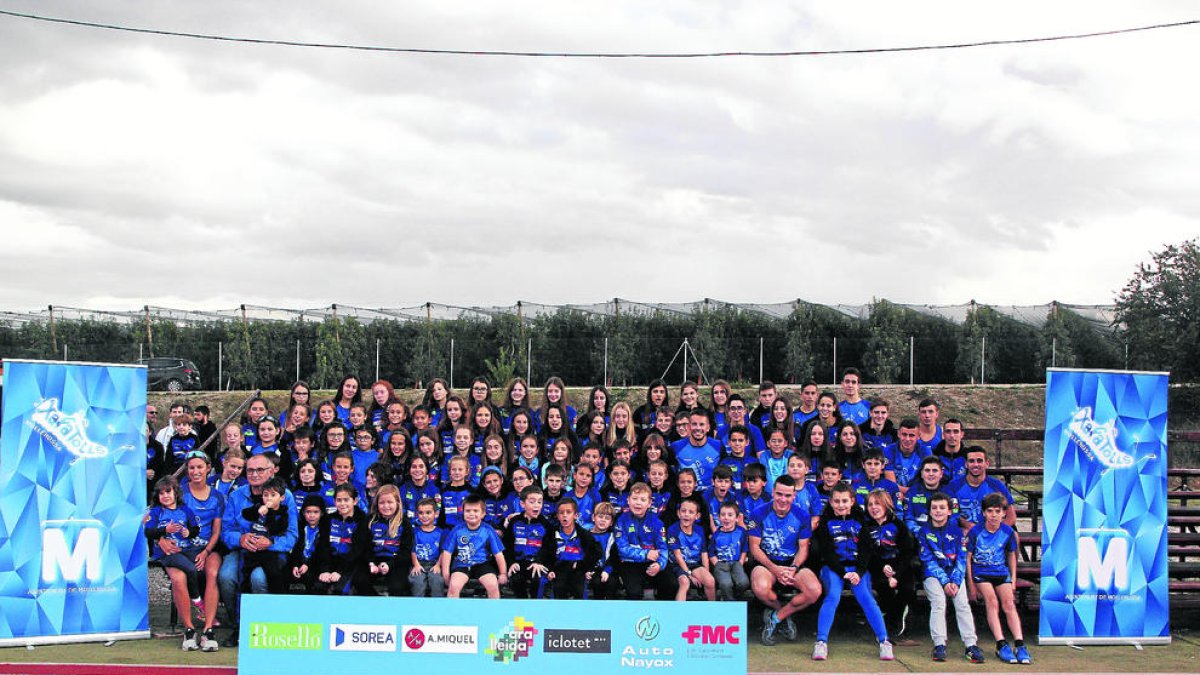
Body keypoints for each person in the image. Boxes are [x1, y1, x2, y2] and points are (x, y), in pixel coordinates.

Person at [217, 454, 298, 647]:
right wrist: (241, 539)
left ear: (272, 471)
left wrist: (270, 542)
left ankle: (265, 626)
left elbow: (292, 536)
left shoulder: (286, 497)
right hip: (242, 549)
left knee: (258, 578)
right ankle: (239, 625)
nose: (254, 474)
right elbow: (226, 531)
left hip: (271, 551)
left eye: (260, 470)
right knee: (226, 577)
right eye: (250, 470)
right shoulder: (237, 495)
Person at [811, 482, 893, 662]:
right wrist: (842, 572)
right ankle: (821, 642)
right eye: (837, 501)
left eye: (845, 501)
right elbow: (827, 552)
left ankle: (884, 641)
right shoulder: (825, 522)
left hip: (857, 569)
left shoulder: (861, 519)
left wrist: (859, 571)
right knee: (833, 596)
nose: (841, 505)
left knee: (866, 597)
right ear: (831, 503)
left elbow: (866, 549)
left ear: (852, 501)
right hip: (834, 568)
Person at [749, 475, 822, 647]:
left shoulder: (802, 515)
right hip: (767, 563)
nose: (783, 499)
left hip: (792, 564)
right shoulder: (758, 513)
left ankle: (776, 618)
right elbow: (754, 548)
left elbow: (803, 548)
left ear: (794, 496)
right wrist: (775, 569)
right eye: (779, 494)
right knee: (760, 588)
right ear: (773, 492)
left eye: (788, 495)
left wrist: (794, 568)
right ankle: (785, 614)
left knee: (814, 591)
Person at [919, 492, 985, 664]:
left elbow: (962, 559)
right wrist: (945, 581)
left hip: (954, 576)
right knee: (939, 602)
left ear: (950, 511)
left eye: (942, 507)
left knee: (962, 603)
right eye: (934, 508)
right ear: (929, 511)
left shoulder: (957, 532)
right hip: (932, 576)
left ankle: (971, 645)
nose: (938, 511)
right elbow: (928, 560)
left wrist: (955, 581)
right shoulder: (924, 532)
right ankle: (939, 644)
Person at [967, 493, 1029, 665]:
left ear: (1004, 513)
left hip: (1001, 572)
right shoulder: (976, 531)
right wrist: (971, 584)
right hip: (981, 573)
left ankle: (1020, 644)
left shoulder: (1008, 532)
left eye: (997, 511)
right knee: (992, 602)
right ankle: (1001, 643)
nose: (994, 515)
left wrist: (1013, 579)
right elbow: (968, 558)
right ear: (984, 513)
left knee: (1009, 604)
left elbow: (1011, 556)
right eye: (990, 511)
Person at [145, 476, 204, 651]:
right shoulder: (156, 512)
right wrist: (165, 530)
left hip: (186, 549)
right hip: (167, 553)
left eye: (168, 492)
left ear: (176, 493)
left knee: (201, 567)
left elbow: (195, 529)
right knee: (189, 569)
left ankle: (205, 619)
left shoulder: (185, 510)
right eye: (161, 493)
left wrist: (188, 532)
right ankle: (197, 600)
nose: (165, 496)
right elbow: (148, 532)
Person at [180, 451, 224, 650]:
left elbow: (216, 531)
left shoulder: (217, 496)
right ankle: (189, 629)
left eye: (200, 467)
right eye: (191, 468)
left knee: (213, 572)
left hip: (208, 548)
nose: (196, 471)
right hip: (184, 548)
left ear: (208, 469)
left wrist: (205, 552)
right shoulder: (180, 492)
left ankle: (208, 630)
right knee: (179, 577)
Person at [864, 488, 917, 645]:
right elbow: (867, 552)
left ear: (887, 505)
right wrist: (882, 567)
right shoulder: (865, 526)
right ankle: (888, 622)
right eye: (870, 504)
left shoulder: (898, 525)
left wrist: (896, 574)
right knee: (883, 587)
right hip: (877, 566)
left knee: (908, 589)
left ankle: (898, 614)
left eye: (878, 504)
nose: (874, 508)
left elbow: (907, 551)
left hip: (899, 565)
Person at [442, 495, 508, 599]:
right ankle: (453, 614)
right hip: (461, 564)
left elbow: (498, 554)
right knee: (454, 586)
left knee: (492, 585)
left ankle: (494, 613)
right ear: (463, 513)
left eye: (475, 511)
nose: (471, 514)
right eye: (468, 511)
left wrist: (503, 573)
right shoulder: (457, 529)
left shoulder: (488, 530)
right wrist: (445, 574)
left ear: (483, 514)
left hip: (482, 564)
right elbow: (447, 552)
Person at [614, 482, 670, 600]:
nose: (638, 503)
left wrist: (660, 564)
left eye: (643, 499)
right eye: (634, 498)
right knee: (634, 593)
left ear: (649, 503)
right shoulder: (621, 521)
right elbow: (622, 549)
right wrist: (646, 554)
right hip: (630, 563)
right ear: (628, 500)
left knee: (671, 584)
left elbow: (663, 548)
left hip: (652, 562)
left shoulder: (657, 522)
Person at [312, 483, 370, 595]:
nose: (342, 504)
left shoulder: (362, 520)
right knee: (318, 588)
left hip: (351, 565)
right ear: (334, 502)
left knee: (340, 590)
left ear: (355, 501)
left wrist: (339, 571)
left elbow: (357, 551)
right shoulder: (328, 519)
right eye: (339, 500)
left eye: (346, 500)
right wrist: (325, 570)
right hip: (330, 563)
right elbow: (323, 547)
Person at [538, 498, 601, 599]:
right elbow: (545, 553)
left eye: (568, 512)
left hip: (578, 569)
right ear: (557, 516)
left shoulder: (584, 534)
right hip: (558, 569)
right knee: (558, 588)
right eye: (561, 513)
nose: (565, 515)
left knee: (579, 590)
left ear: (575, 515)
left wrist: (584, 566)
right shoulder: (550, 534)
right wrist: (550, 570)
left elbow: (596, 553)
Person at [948, 446, 1016, 535]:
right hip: (964, 531)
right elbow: (952, 514)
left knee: (1014, 536)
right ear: (966, 464)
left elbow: (1011, 517)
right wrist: (968, 526)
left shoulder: (997, 486)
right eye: (971, 461)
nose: (976, 465)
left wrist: (996, 532)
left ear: (987, 463)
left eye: (979, 461)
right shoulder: (954, 485)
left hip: (992, 531)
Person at [238, 477, 289, 593]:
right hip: (253, 551)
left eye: (273, 495)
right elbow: (245, 514)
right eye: (265, 495)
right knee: (244, 575)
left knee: (274, 575)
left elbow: (275, 530)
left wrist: (270, 512)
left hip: (270, 552)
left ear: (281, 498)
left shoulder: (283, 513)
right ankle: (245, 605)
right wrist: (257, 510)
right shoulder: (259, 506)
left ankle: (276, 603)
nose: (268, 498)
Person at [504, 485, 552, 599]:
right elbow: (507, 545)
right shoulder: (515, 522)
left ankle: (536, 609)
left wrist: (539, 562)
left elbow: (549, 548)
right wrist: (511, 563)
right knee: (516, 580)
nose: (537, 505)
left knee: (538, 580)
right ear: (522, 504)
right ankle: (523, 608)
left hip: (536, 564)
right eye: (532, 502)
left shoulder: (546, 524)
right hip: (518, 563)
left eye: (540, 502)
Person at [667, 496, 715, 601]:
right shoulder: (673, 530)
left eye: (691, 512)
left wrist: (706, 572)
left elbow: (704, 553)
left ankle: (712, 610)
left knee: (710, 580)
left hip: (694, 564)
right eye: (683, 511)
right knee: (684, 582)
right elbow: (678, 556)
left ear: (697, 516)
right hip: (677, 565)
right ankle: (679, 614)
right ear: (678, 513)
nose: (686, 514)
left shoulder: (700, 530)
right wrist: (689, 575)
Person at [364, 484, 409, 596]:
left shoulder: (404, 523)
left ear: (398, 503)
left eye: (390, 502)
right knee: (360, 580)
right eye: (382, 503)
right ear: (377, 504)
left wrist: (390, 565)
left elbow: (406, 551)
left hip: (395, 562)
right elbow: (364, 546)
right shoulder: (370, 521)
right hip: (373, 561)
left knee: (397, 587)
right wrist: (371, 563)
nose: (386, 506)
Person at [407, 497, 447, 597]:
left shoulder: (441, 533)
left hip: (434, 564)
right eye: (421, 513)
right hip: (418, 563)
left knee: (437, 581)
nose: (424, 516)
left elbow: (443, 552)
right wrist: (416, 565)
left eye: (428, 512)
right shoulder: (414, 532)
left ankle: (437, 607)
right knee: (418, 582)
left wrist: (438, 565)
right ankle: (418, 607)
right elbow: (413, 551)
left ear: (436, 514)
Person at [710, 502, 750, 601]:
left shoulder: (741, 532)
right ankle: (730, 602)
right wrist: (717, 564)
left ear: (737, 518)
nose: (726, 518)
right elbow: (711, 552)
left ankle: (733, 596)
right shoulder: (717, 534)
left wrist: (740, 562)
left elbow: (744, 549)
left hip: (736, 562)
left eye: (730, 515)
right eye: (723, 515)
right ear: (719, 518)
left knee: (743, 582)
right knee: (725, 583)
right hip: (721, 563)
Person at [288, 495, 326, 594]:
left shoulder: (325, 530)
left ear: (322, 513)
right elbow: (295, 549)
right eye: (308, 512)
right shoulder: (299, 528)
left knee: (312, 580)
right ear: (303, 513)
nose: (311, 515)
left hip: (314, 564)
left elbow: (321, 552)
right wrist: (295, 565)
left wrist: (307, 564)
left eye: (315, 512)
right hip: (299, 563)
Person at [933, 418, 968, 484]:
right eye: (948, 431)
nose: (952, 435)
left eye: (956, 431)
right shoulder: (934, 456)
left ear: (962, 434)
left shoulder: (968, 456)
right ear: (943, 434)